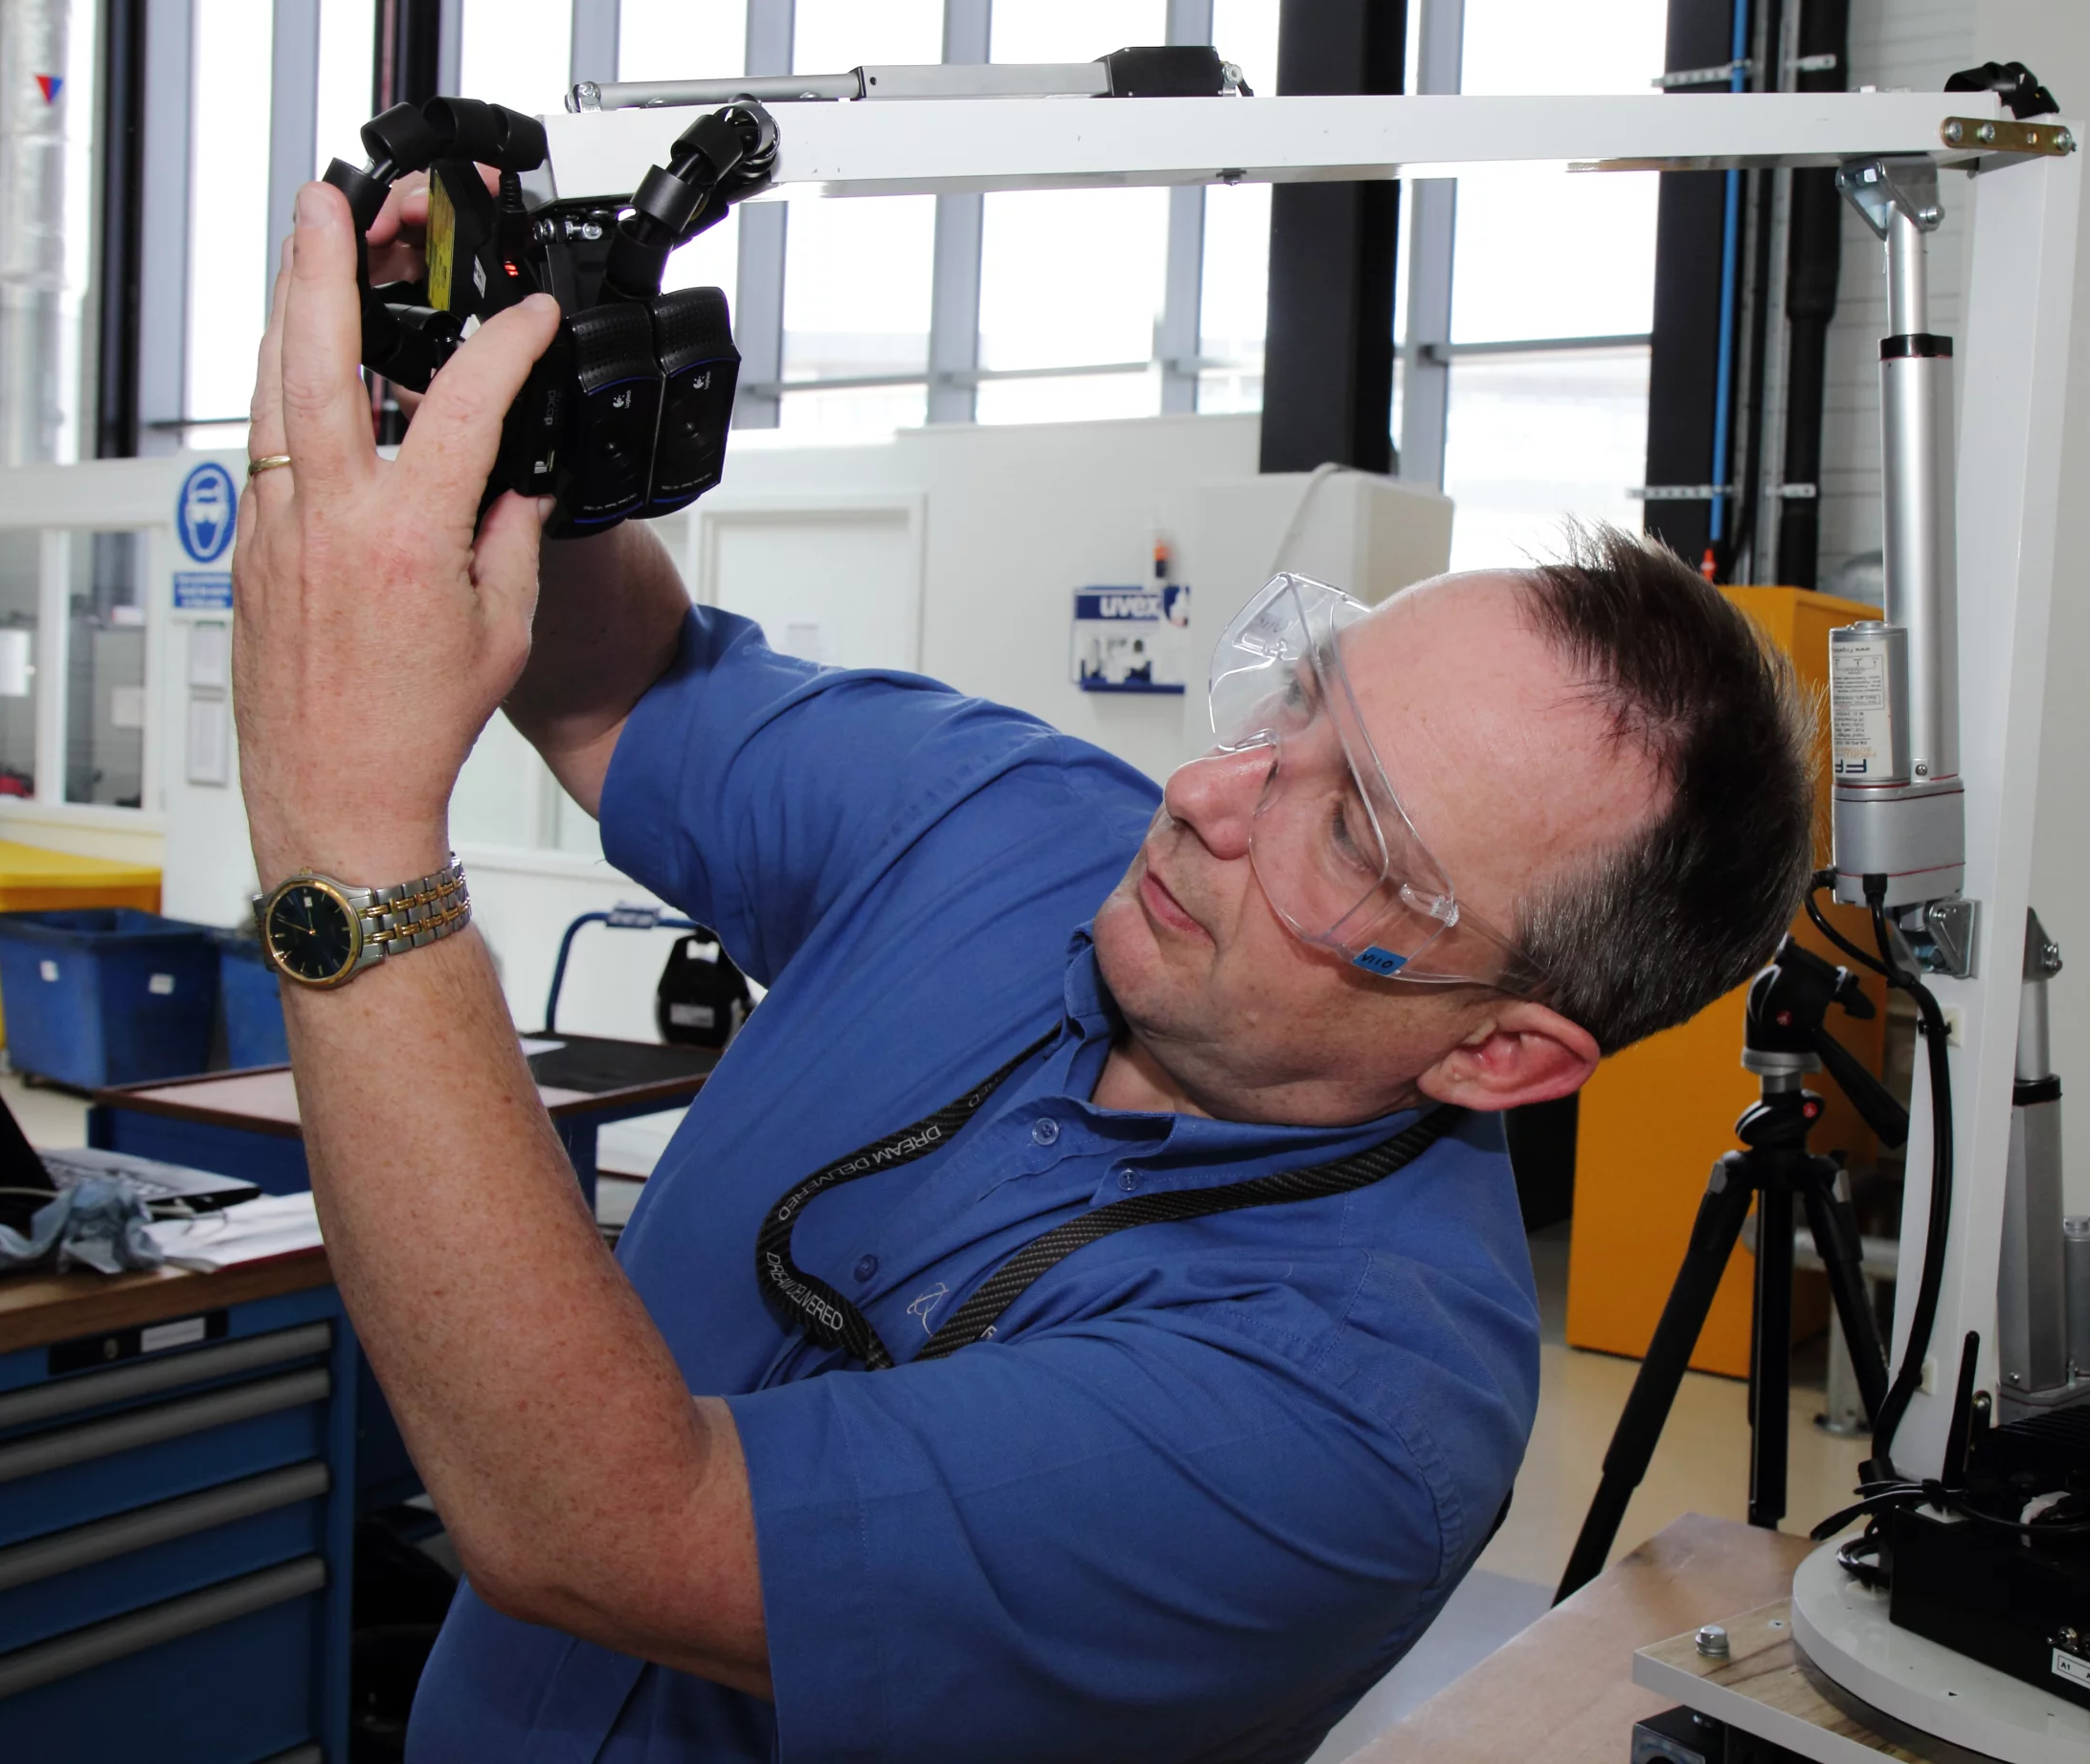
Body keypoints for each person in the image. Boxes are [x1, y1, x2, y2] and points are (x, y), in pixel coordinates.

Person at [233, 177, 1815, 1763]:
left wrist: (352, 840)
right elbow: (630, 685)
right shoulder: (1021, 824)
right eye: (1292, 705)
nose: (1205, 798)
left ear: (1504, 1056)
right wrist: (510, 388)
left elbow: (606, 1529)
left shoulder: (1347, 1421)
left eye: (1351, 832)